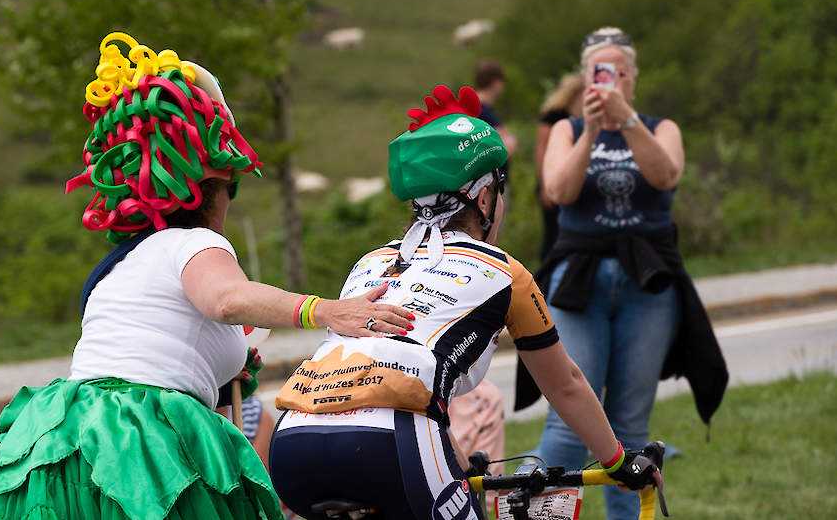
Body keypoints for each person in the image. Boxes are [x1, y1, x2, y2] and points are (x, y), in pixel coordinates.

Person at [0, 32, 413, 520]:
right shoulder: (197, 242)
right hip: (136, 436)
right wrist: (327, 310)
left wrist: (224, 367)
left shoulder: (120, 266)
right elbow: (226, 299)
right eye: (229, 190)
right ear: (213, 191)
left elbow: (162, 345)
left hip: (68, 432)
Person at [269, 85, 662, 520]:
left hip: (292, 442)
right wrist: (618, 460)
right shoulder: (503, 270)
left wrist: (453, 455)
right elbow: (564, 383)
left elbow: (378, 381)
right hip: (389, 445)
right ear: (484, 197)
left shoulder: (372, 262)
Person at [518, 27, 728, 520]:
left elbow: (666, 176)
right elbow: (560, 192)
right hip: (579, 283)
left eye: (617, 72)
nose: (607, 81)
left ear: (632, 79)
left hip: (647, 283)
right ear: (585, 77)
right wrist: (592, 129)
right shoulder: (568, 130)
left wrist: (627, 121)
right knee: (569, 417)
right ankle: (537, 514)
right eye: (598, 72)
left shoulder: (661, 128)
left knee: (630, 425)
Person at [535, 73, 584, 259]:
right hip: (552, 179)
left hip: (572, 181)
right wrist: (545, 185)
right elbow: (542, 148)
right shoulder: (554, 115)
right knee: (553, 233)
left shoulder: (582, 117)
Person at [474, 59, 519, 160]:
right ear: (496, 82)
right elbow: (503, 148)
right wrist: (512, 140)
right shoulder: (483, 111)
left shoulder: (474, 107)